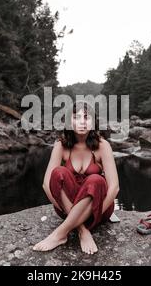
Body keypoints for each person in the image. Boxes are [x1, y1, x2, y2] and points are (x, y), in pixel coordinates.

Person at [33, 101, 120, 254]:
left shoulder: (102, 145)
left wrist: (97, 212)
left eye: (86, 117)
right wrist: (73, 218)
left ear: (93, 122)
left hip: (97, 209)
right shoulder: (61, 145)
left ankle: (59, 233)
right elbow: (47, 184)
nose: (81, 122)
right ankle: (82, 231)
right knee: (58, 172)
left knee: (97, 180)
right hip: (67, 208)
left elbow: (114, 187)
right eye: (76, 117)